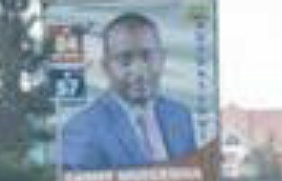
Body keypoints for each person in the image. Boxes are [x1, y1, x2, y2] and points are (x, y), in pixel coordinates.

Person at [61, 12, 197, 171]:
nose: (139, 70)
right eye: (125, 60)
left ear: (162, 59)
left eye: (147, 57)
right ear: (106, 67)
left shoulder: (180, 115)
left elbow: (195, 179)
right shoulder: (83, 128)